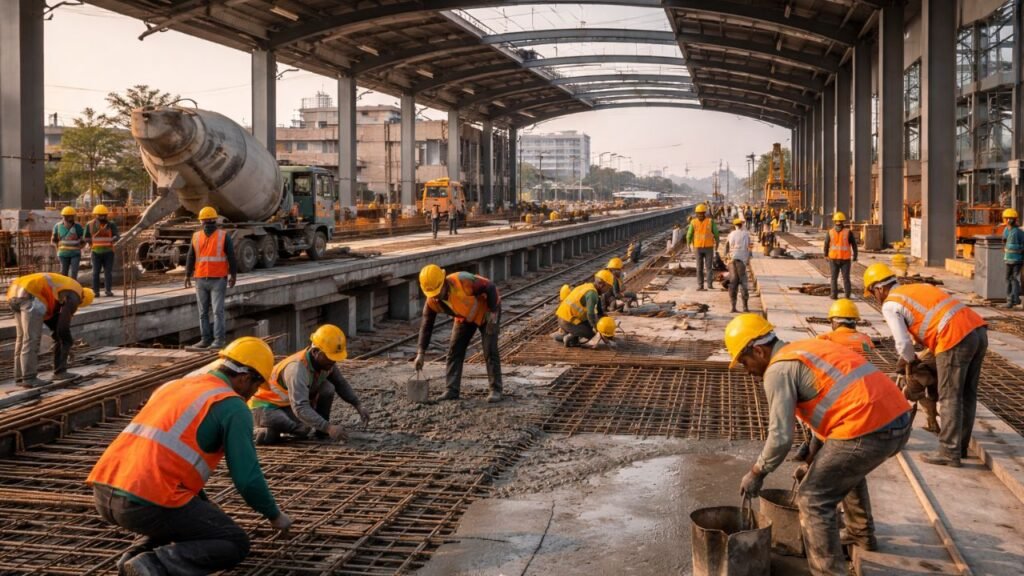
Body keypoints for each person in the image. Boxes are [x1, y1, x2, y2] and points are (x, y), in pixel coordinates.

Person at [88, 337, 292, 576]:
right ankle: (155, 565)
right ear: (245, 377)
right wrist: (274, 515)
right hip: (146, 502)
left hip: (104, 492)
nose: (253, 394)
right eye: (256, 387)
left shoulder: (174, 385)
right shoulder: (232, 405)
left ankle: (134, 559)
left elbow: (168, 458)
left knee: (193, 522)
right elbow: (247, 478)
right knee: (234, 542)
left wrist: (203, 507)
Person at [725, 314, 912, 576]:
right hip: (898, 421)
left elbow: (780, 437)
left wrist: (757, 472)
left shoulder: (778, 369)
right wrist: (814, 453)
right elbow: (835, 398)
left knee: (813, 497)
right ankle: (861, 535)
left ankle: (828, 572)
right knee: (844, 470)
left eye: (744, 361)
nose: (748, 370)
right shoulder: (805, 348)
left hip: (868, 428)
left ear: (758, 350)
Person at [864, 263, 987, 467]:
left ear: (879, 288)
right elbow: (926, 323)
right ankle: (960, 447)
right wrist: (911, 354)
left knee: (950, 396)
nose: (875, 299)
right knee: (967, 394)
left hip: (954, 337)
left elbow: (902, 342)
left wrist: (911, 361)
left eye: (872, 293)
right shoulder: (917, 288)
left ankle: (949, 452)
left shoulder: (890, 304)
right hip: (977, 330)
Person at [250, 325, 370, 445]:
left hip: (286, 405)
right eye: (330, 356)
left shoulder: (327, 363)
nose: (333, 361)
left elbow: (340, 383)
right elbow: (300, 407)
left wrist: (358, 405)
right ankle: (261, 431)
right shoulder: (297, 369)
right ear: (315, 352)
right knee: (303, 428)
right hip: (264, 408)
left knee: (327, 388)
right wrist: (329, 428)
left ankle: (320, 432)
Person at [414, 265, 502, 402]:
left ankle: (495, 390)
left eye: (438, 292)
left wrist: (492, 316)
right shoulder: (432, 301)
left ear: (444, 281)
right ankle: (451, 390)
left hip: (487, 311)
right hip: (465, 316)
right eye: (433, 294)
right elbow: (426, 326)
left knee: (489, 349)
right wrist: (421, 353)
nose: (436, 296)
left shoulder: (463, 281)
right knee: (454, 350)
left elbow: (490, 287)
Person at [7, 273, 94, 387]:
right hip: (31, 295)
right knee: (31, 339)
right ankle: (30, 378)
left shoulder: (67, 286)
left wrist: (58, 335)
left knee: (22, 337)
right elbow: (63, 326)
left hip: (13, 293)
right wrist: (66, 340)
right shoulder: (76, 295)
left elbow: (54, 314)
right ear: (83, 299)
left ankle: (19, 377)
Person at [184, 207, 237, 350]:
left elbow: (190, 257)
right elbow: (232, 257)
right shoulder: (223, 235)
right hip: (213, 278)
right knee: (216, 312)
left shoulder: (199, 236)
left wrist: (187, 274)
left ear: (201, 221)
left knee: (205, 313)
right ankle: (214, 341)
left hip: (205, 279)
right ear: (216, 220)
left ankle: (210, 340)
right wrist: (233, 275)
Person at [553, 270, 614, 347]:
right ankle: (569, 337)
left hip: (564, 317)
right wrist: (596, 329)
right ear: (602, 284)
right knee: (593, 334)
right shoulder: (592, 294)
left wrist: (602, 315)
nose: (607, 290)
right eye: (608, 287)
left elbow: (598, 309)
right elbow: (590, 314)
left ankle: (566, 335)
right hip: (567, 321)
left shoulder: (588, 286)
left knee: (589, 327)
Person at [84, 204, 120, 298]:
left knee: (108, 272)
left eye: (104, 215)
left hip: (108, 252)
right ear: (96, 215)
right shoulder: (90, 225)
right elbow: (86, 237)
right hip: (96, 252)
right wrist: (91, 242)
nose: (102, 217)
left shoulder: (111, 224)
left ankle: (108, 290)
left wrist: (114, 238)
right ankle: (95, 292)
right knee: (95, 272)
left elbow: (117, 235)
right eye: (100, 215)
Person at [824, 212, 858, 300]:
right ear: (843, 221)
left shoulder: (830, 232)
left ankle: (834, 295)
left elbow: (826, 244)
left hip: (833, 259)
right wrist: (855, 256)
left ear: (834, 221)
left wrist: (825, 255)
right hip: (845, 259)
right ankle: (847, 295)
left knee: (833, 278)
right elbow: (854, 245)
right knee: (846, 278)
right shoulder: (848, 232)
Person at [686, 203, 719, 291]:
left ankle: (701, 285)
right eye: (699, 213)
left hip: (700, 248)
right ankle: (708, 285)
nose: (700, 215)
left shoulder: (695, 222)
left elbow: (689, 234)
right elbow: (716, 233)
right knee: (707, 267)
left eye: (701, 213)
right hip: (706, 247)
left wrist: (688, 244)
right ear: (697, 214)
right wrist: (717, 243)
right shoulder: (710, 221)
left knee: (700, 268)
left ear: (704, 213)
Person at [725, 218, 752, 313]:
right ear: (742, 225)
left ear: (734, 225)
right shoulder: (746, 234)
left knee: (733, 282)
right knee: (743, 282)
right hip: (742, 260)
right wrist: (749, 257)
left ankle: (733, 307)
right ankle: (745, 307)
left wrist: (726, 257)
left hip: (732, 260)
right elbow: (750, 246)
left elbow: (727, 246)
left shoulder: (731, 234)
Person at [51, 206, 84, 278]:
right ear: (64, 216)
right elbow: (54, 240)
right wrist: (58, 249)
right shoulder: (57, 226)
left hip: (75, 254)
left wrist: (80, 247)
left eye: (72, 216)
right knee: (64, 273)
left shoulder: (78, 227)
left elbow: (82, 239)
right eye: (68, 216)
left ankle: (73, 288)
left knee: (74, 272)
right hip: (63, 254)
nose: (71, 218)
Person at [1002, 208, 1024, 308]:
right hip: (1010, 259)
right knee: (1011, 279)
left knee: (1012, 279)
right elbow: (1004, 242)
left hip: (1016, 260)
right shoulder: (1008, 230)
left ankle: (1011, 301)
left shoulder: (1017, 232)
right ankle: (1014, 299)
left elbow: (1004, 242)